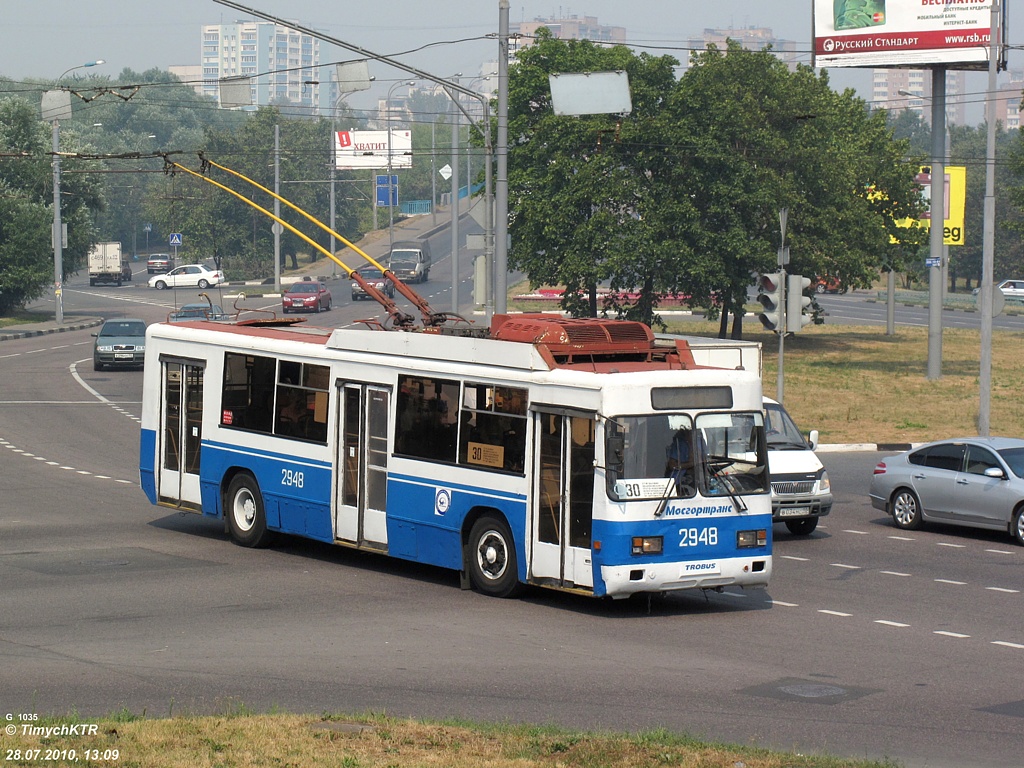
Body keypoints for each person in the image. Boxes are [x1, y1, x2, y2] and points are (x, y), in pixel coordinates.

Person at [665, 428, 695, 496]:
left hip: (694, 482)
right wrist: (692, 464)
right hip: (677, 482)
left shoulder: (699, 442)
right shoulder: (680, 444)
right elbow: (672, 465)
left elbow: (702, 461)